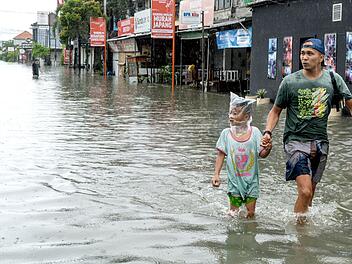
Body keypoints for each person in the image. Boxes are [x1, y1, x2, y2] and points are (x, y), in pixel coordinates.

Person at [261, 38, 352, 222]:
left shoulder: (333, 79)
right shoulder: (290, 82)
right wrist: (268, 132)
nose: (304, 57)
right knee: (305, 190)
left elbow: (350, 104)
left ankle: (302, 229)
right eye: (302, 53)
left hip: (320, 143)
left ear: (321, 57)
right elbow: (275, 111)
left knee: (309, 195)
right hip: (295, 141)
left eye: (309, 53)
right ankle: (300, 240)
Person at [211, 93, 272, 218]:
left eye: (235, 113)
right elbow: (221, 155)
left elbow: (262, 154)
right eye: (231, 113)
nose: (231, 116)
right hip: (234, 182)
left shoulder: (254, 133)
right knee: (233, 214)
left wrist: (268, 148)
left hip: (252, 182)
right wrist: (216, 174)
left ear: (246, 116)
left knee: (250, 213)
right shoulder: (226, 134)